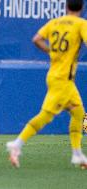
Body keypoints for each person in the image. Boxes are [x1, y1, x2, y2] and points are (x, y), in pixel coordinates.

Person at [6, 0, 87, 169]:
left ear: (66, 7)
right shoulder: (81, 24)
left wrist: (52, 51)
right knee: (46, 116)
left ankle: (77, 154)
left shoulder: (55, 22)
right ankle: (17, 144)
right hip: (63, 80)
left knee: (78, 113)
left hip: (56, 76)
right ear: (82, 7)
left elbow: (36, 39)